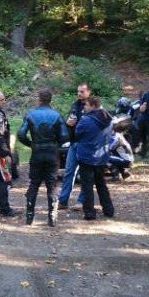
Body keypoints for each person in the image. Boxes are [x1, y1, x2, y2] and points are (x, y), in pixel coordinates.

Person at [17, 89, 68, 226]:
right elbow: (64, 136)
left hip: (37, 152)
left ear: (39, 99)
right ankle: (52, 217)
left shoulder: (30, 114)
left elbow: (21, 134)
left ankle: (29, 217)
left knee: (34, 183)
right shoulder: (56, 115)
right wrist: (56, 144)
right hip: (52, 153)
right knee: (51, 185)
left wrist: (31, 144)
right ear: (50, 99)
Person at [73, 97, 115, 221]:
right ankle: (108, 210)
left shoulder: (85, 120)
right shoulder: (108, 118)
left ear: (93, 106)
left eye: (86, 105)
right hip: (102, 156)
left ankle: (89, 212)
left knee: (87, 186)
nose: (84, 107)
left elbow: (77, 134)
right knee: (101, 184)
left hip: (87, 156)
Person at [58, 83, 91, 211]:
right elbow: (69, 121)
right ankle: (63, 200)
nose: (79, 94)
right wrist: (68, 123)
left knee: (85, 174)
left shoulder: (92, 105)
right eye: (78, 91)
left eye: (82, 91)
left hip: (86, 145)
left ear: (89, 92)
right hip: (74, 143)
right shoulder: (75, 105)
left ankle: (81, 201)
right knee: (69, 172)